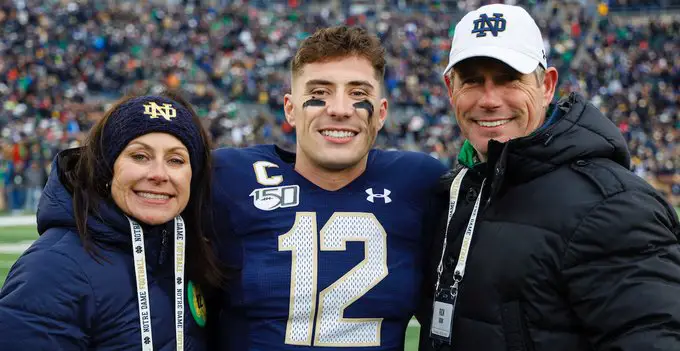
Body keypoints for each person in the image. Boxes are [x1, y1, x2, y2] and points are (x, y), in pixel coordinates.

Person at [418, 4, 680, 351]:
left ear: (547, 86)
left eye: (509, 79)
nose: (489, 99)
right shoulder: (459, 191)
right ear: (451, 90)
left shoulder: (613, 205)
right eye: (472, 81)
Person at [209, 26, 447, 350]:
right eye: (319, 93)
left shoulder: (421, 182)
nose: (339, 109)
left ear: (381, 113)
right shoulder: (227, 176)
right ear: (290, 109)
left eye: (358, 94)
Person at [0, 92, 222, 350]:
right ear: (107, 168)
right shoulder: (53, 268)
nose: (159, 174)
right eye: (140, 156)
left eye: (176, 160)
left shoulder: (189, 254)